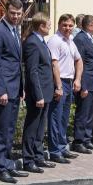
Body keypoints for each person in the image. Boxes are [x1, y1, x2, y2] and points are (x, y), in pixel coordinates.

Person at [0, 0, 28, 183]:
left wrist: (21, 88)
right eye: (12, 13)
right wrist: (1, 90)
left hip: (14, 88)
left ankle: (7, 164)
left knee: (10, 129)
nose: (15, 16)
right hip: (5, 90)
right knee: (2, 129)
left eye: (19, 14)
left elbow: (16, 64)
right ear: (6, 11)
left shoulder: (14, 31)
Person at [21, 12, 56, 173]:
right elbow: (32, 71)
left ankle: (38, 156)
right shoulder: (32, 43)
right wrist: (38, 95)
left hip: (46, 92)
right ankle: (28, 160)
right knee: (32, 127)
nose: (50, 26)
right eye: (48, 24)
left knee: (41, 127)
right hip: (38, 94)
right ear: (41, 26)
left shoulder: (41, 41)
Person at [47, 14, 83, 163]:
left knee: (63, 118)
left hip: (69, 81)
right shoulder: (55, 41)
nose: (68, 28)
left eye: (70, 25)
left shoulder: (70, 41)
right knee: (55, 118)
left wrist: (78, 79)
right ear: (59, 25)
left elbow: (79, 60)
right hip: (60, 82)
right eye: (65, 25)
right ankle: (55, 151)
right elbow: (54, 64)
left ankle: (62, 147)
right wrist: (59, 86)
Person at [71, 15, 93, 154]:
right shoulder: (80, 39)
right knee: (83, 113)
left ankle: (87, 139)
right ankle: (79, 141)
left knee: (89, 113)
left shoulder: (90, 38)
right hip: (87, 82)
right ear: (89, 25)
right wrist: (83, 85)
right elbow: (80, 62)